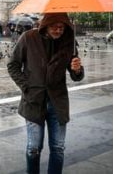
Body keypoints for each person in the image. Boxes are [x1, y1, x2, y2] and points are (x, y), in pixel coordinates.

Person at [7, 13, 84, 174]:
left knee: (58, 147)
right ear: (45, 25)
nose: (58, 30)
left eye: (62, 27)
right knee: (33, 148)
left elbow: (76, 76)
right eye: (55, 27)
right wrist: (26, 87)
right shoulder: (29, 38)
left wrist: (77, 69)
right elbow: (13, 65)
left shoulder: (68, 43)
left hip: (58, 102)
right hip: (34, 101)